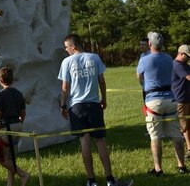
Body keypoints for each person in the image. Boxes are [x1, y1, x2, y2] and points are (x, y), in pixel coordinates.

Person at [58, 33, 133, 186]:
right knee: (100, 141)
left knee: (84, 142)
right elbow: (102, 82)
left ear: (73, 46)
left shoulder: (67, 62)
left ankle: (91, 181)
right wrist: (103, 99)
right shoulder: (95, 58)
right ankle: (110, 179)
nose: (65, 50)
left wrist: (63, 105)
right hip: (93, 105)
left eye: (66, 47)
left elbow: (65, 87)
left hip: (76, 107)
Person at [137, 32, 186, 176]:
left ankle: (158, 169)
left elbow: (139, 78)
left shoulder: (144, 60)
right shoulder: (168, 58)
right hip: (171, 99)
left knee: (155, 136)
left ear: (150, 44)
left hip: (153, 101)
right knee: (176, 134)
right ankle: (182, 166)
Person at [0, 66, 29, 186]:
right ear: (12, 79)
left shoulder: (1, 95)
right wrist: (19, 122)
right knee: (10, 158)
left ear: (1, 80)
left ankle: (23, 174)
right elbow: (23, 112)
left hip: (6, 128)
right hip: (17, 125)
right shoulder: (18, 93)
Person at [171, 44, 190, 160]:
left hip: (187, 99)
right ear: (181, 54)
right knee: (185, 126)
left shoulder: (185, 65)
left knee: (188, 125)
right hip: (181, 100)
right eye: (187, 56)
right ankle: (189, 149)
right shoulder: (177, 66)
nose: (188, 58)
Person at [137, 37, 150, 102]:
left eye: (144, 45)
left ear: (149, 45)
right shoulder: (142, 55)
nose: (141, 46)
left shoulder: (151, 55)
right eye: (141, 44)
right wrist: (142, 83)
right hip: (144, 85)